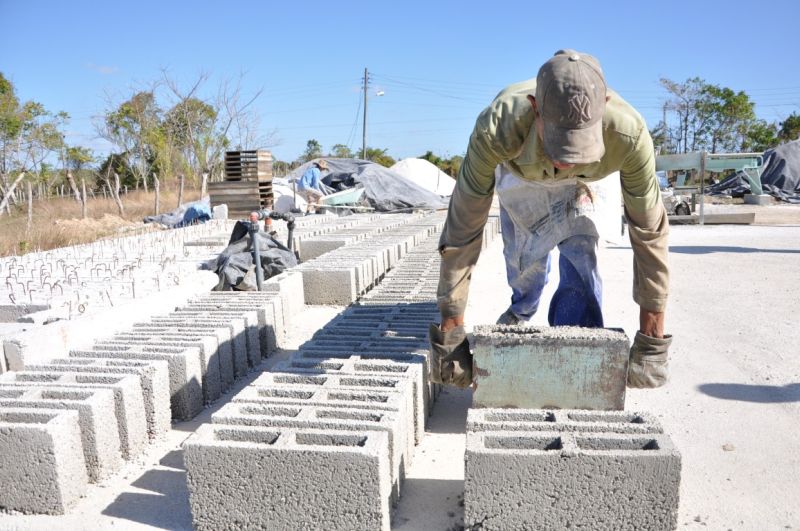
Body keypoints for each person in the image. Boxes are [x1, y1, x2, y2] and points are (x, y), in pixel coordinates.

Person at [429, 50, 671, 389]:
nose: (566, 162)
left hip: (586, 185)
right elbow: (464, 226)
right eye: (559, 141)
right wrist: (451, 328)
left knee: (580, 252)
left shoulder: (628, 136)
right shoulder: (497, 128)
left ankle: (580, 346)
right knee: (524, 262)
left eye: (579, 144)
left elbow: (649, 232)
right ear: (534, 107)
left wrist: (652, 334)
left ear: (606, 103)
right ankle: (520, 314)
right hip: (522, 179)